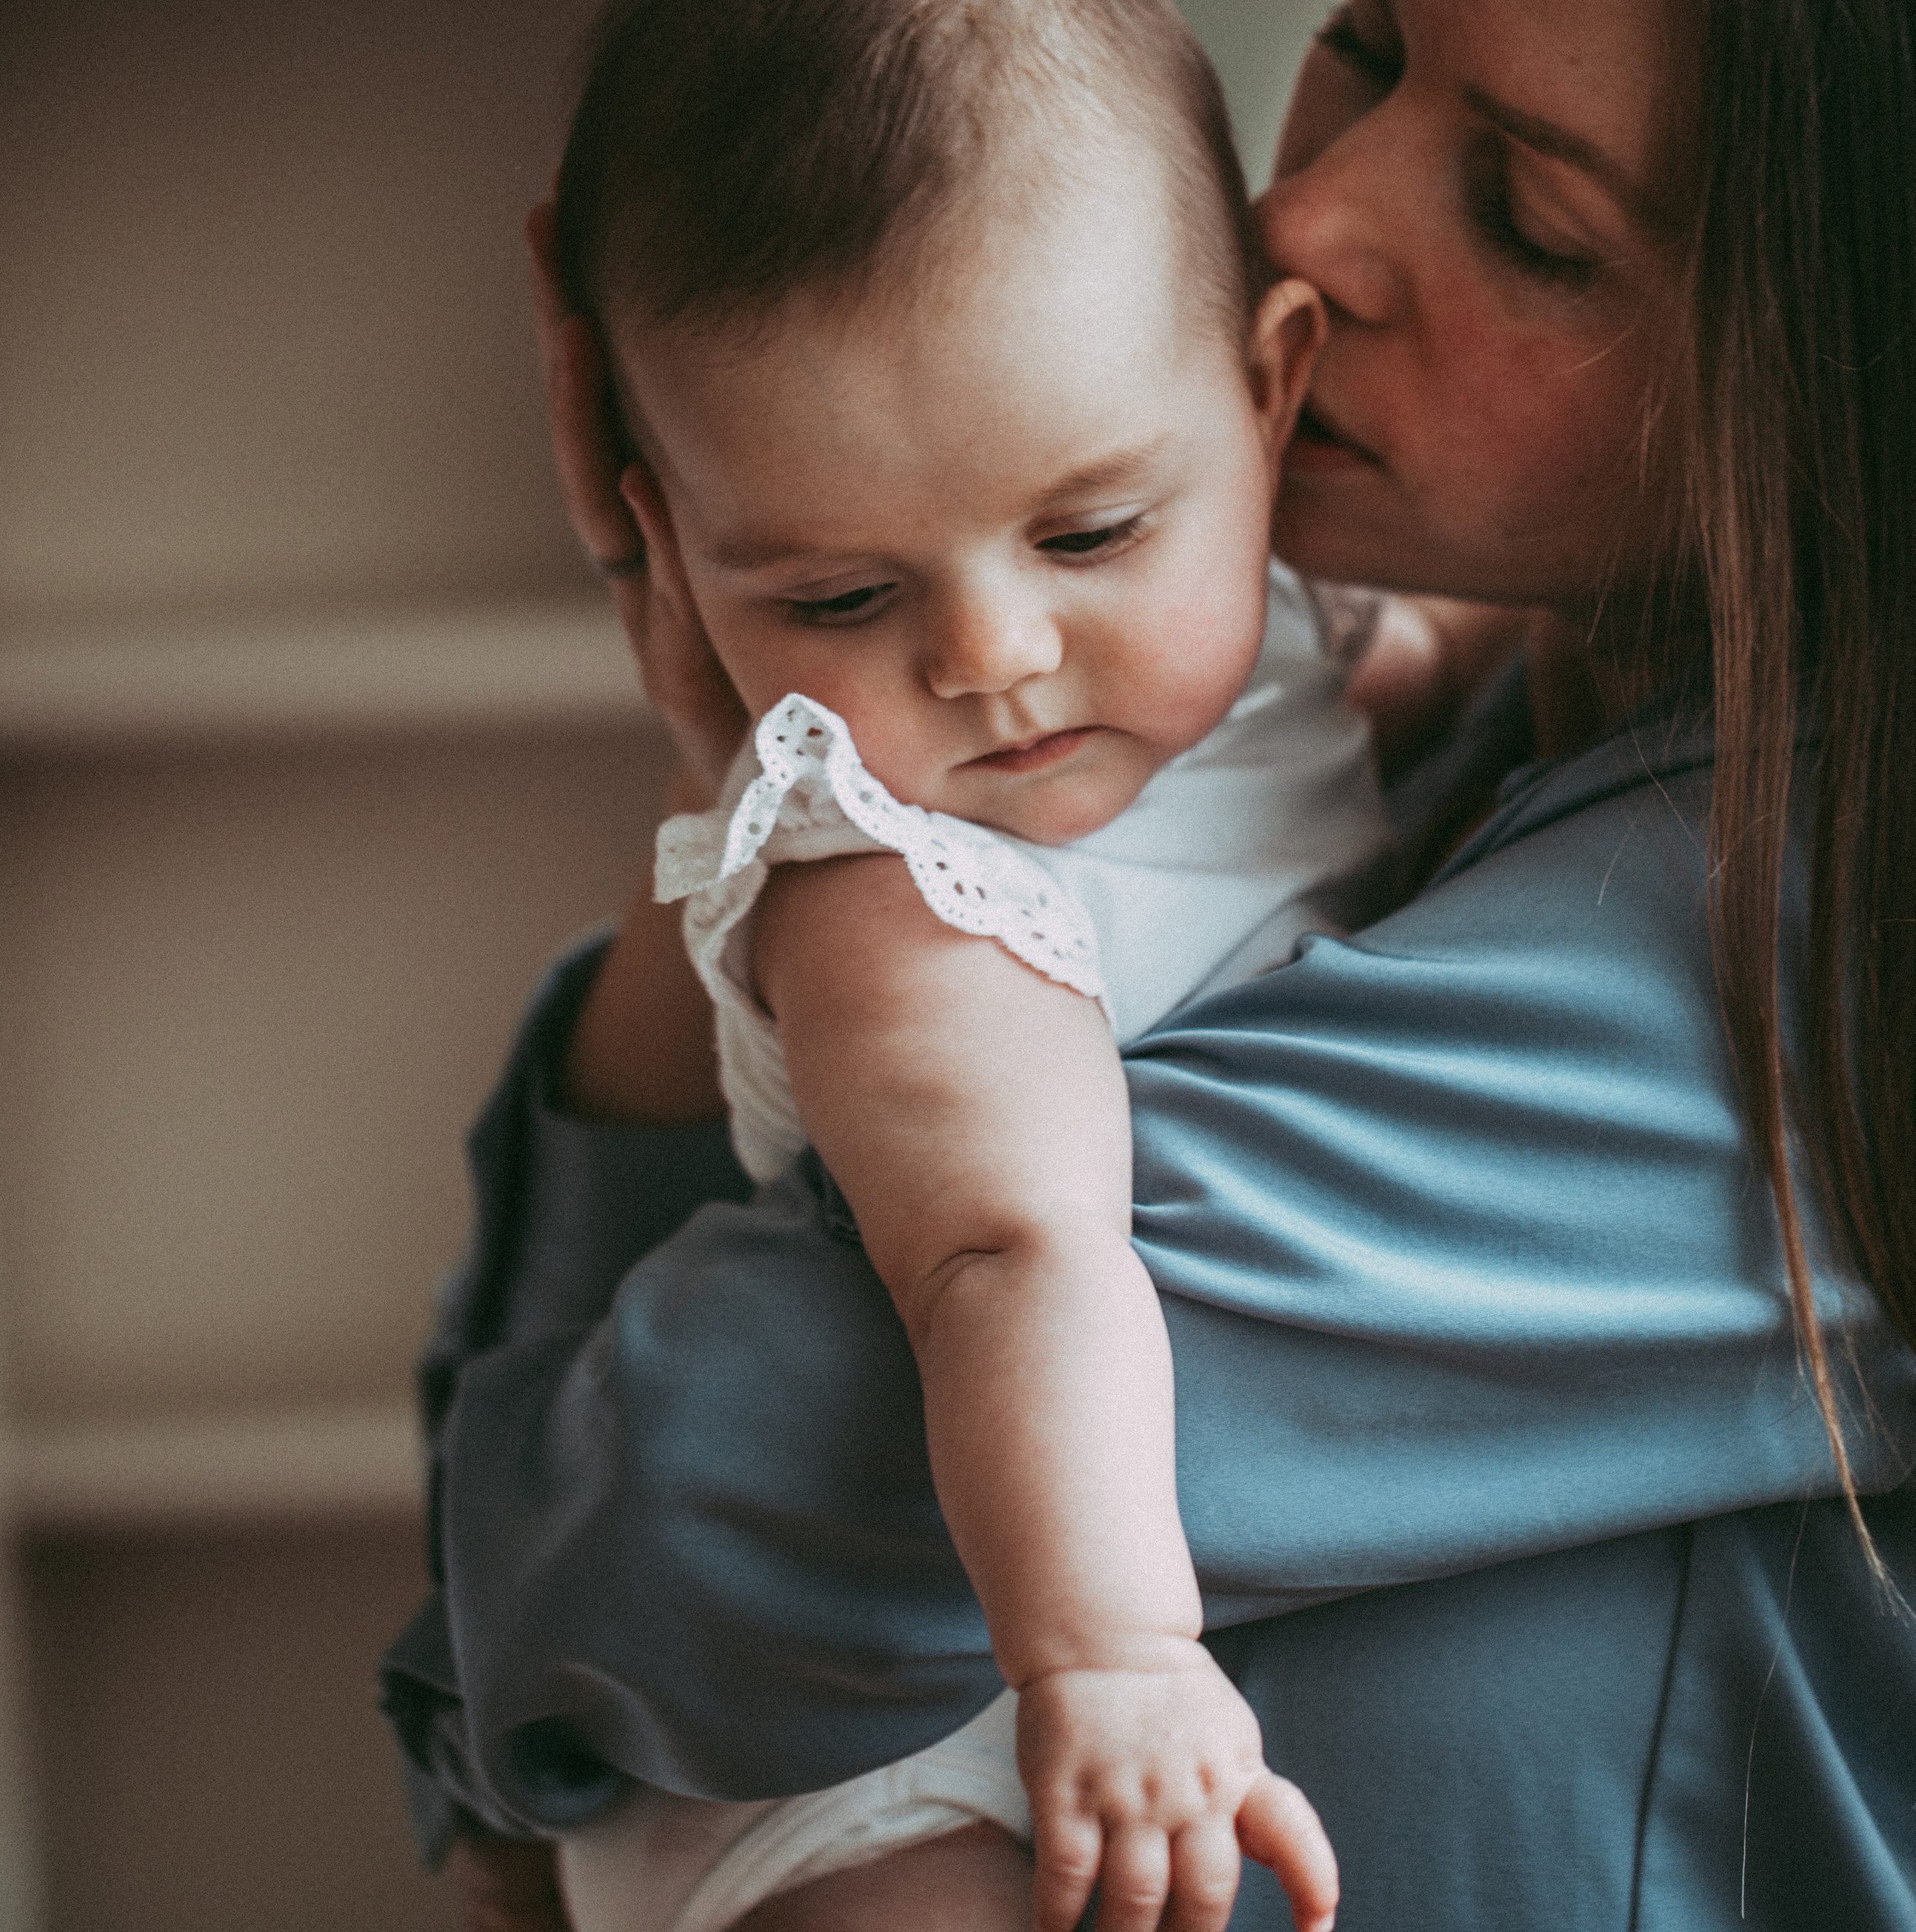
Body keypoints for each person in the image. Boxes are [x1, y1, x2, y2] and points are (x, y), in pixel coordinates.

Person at [381, 1, 1916, 1927]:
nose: (1316, 214)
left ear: (1843, 355)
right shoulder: (1361, 725)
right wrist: (748, 782)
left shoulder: (1815, 942)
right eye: (1361, 44)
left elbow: (634, 1541)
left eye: (1528, 217)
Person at [524, 2, 1395, 1925]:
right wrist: (1110, 1652)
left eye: (1088, 527)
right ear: (669, 553)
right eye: (834, 595)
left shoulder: (1296, 640)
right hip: (874, 1747)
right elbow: (1010, 1244)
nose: (990, 652)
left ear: (1268, 396)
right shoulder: (882, 869)